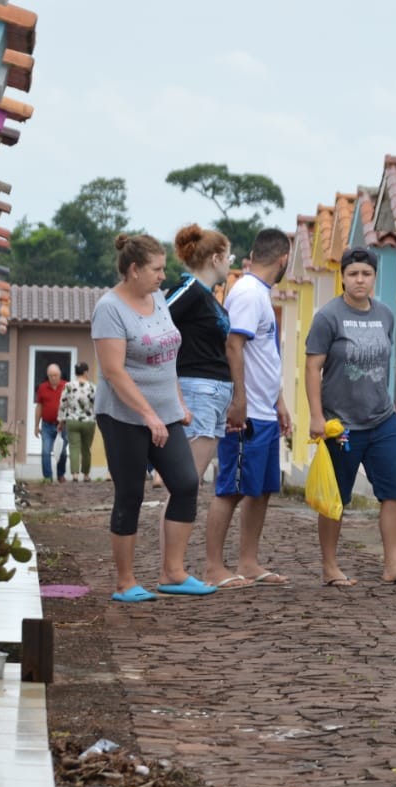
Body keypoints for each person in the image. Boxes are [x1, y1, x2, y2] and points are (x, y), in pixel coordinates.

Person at [92, 233, 216, 602]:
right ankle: (125, 582)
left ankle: (173, 573)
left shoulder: (158, 299)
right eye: (157, 269)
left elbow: (167, 356)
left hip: (165, 414)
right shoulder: (109, 309)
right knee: (130, 494)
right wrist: (148, 415)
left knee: (185, 482)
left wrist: (178, 405)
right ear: (133, 270)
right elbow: (114, 372)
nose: (164, 276)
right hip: (123, 417)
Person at [306, 247, 396, 587]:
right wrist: (316, 417)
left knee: (393, 492)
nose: (360, 280)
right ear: (343, 277)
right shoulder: (328, 317)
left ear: (374, 277)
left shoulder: (386, 314)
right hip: (341, 424)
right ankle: (330, 567)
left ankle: (393, 564)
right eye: (353, 274)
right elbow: (312, 367)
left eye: (366, 274)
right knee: (336, 498)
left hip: (382, 418)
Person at [203, 228, 294, 587]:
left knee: (261, 488)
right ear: (284, 259)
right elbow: (233, 346)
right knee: (232, 487)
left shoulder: (260, 294)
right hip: (247, 412)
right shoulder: (247, 293)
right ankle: (213, 566)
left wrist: (279, 401)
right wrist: (238, 401)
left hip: (264, 409)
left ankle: (248, 561)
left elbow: (264, 357)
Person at [165, 224, 252, 589]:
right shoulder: (188, 289)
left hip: (215, 392)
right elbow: (154, 323)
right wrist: (173, 391)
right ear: (215, 257)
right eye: (228, 256)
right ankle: (174, 570)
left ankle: (176, 568)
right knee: (186, 483)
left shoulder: (209, 296)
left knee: (189, 482)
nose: (229, 263)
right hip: (197, 388)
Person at [58, 362, 96, 482]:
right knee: (86, 449)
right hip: (88, 421)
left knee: (74, 447)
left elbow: (63, 403)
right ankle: (86, 475)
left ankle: (74, 474)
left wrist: (61, 421)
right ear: (85, 372)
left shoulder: (68, 386)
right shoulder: (92, 387)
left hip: (72, 420)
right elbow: (97, 404)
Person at [33, 364, 68, 483]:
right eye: (51, 375)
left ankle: (60, 474)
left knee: (62, 452)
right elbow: (39, 407)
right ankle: (48, 477)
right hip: (47, 425)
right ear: (47, 376)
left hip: (62, 425)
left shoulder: (66, 386)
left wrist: (64, 421)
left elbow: (70, 407)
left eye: (55, 375)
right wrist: (36, 426)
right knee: (45, 451)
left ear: (60, 375)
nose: (53, 377)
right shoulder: (42, 388)